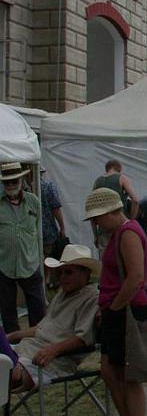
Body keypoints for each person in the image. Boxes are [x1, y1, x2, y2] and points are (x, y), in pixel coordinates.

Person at [84, 187, 147, 416]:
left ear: (113, 211)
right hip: (115, 310)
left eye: (99, 217)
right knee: (110, 372)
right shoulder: (118, 233)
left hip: (126, 310)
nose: (96, 223)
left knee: (128, 377)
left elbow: (136, 277)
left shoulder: (127, 232)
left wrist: (113, 307)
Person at [8, 244, 100, 392]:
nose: (62, 277)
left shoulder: (92, 298)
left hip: (53, 360)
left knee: (6, 373)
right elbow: (43, 328)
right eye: (60, 273)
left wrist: (53, 350)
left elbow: (83, 338)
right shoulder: (62, 294)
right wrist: (11, 336)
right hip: (28, 349)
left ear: (86, 273)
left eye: (68, 272)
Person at [0, 162, 46, 335]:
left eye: (14, 181)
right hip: (5, 264)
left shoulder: (33, 202)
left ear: (21, 180)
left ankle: (39, 340)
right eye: (7, 182)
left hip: (30, 262)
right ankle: (13, 344)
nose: (11, 185)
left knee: (37, 307)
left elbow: (36, 226)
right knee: (7, 308)